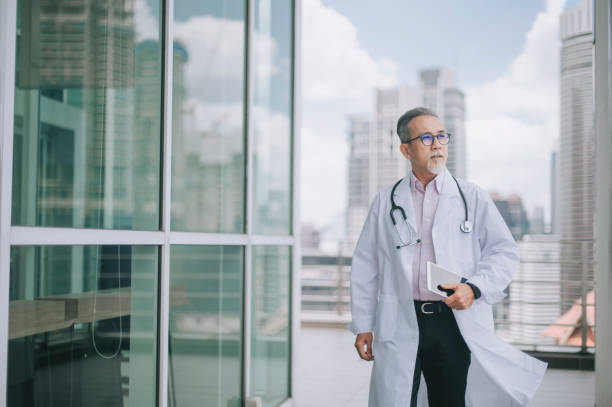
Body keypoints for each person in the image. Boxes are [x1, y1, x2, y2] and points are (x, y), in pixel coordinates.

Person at [348, 107, 547, 407]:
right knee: (396, 399)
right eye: (426, 137)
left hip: (453, 321)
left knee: (451, 400)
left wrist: (474, 287)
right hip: (401, 317)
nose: (438, 144)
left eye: (442, 136)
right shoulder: (386, 201)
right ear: (406, 149)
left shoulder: (472, 196)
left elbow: (504, 251)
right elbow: (366, 265)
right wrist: (364, 323)